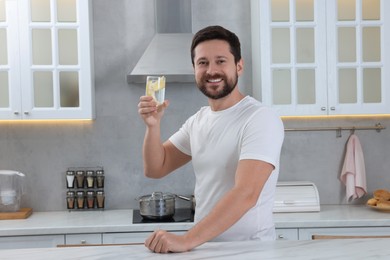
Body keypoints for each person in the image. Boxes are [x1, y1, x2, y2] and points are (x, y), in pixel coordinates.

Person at [137, 25, 284, 253]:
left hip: (249, 251)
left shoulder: (260, 118)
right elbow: (156, 167)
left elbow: (246, 193)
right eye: (203, 62)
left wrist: (186, 240)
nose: (211, 70)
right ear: (194, 68)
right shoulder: (198, 120)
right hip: (204, 249)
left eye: (221, 61)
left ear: (239, 66)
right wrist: (153, 126)